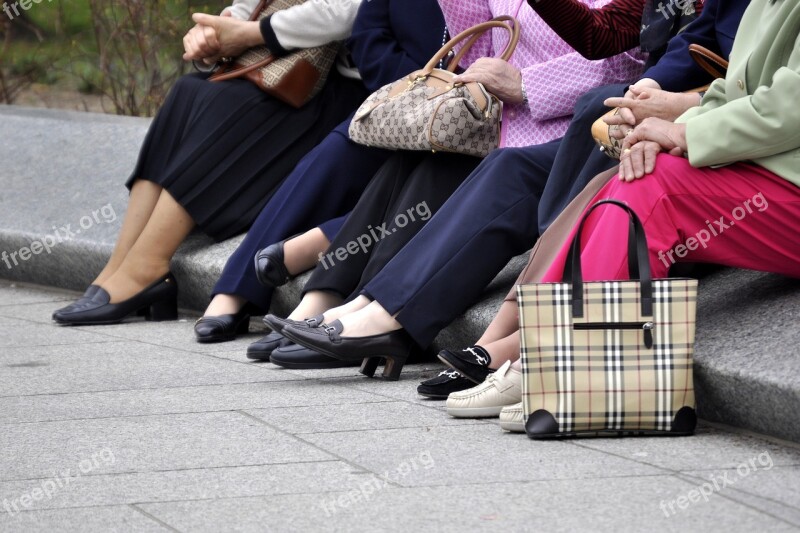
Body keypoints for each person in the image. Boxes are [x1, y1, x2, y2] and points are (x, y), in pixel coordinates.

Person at [263, 0, 705, 381]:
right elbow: (478, 41)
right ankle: (356, 302)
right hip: (503, 118)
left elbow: (620, 59)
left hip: (560, 118)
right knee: (417, 157)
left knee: (478, 166)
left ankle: (384, 316)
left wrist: (527, 86)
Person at [448, 0, 800, 431]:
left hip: (782, 173)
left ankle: (556, 364)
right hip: (774, 169)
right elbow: (733, 90)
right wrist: (668, 135)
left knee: (650, 185)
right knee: (637, 175)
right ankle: (548, 358)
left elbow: (791, 103)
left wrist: (684, 132)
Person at [51, 0, 365, 326]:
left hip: (346, 87)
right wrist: (215, 32)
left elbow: (350, 10)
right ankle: (121, 264)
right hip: (290, 63)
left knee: (231, 101)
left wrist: (250, 33)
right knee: (187, 90)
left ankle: (147, 265)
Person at [193, 0, 449, 345]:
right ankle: (237, 286)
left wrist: (439, 93)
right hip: (399, 94)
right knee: (336, 152)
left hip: (464, 111)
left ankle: (320, 274)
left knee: (422, 178)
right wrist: (415, 87)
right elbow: (368, 32)